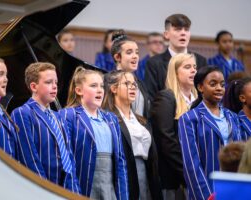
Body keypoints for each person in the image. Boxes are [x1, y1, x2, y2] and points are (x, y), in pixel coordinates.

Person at [59, 67, 128, 200]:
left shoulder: (111, 118)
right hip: (85, 185)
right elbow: (67, 159)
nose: (99, 90)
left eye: (101, 86)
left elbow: (120, 160)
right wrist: (74, 192)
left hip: (110, 185)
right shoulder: (68, 115)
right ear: (79, 91)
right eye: (93, 86)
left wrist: (123, 196)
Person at [11, 62, 80, 193]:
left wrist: (74, 186)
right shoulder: (22, 113)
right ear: (33, 86)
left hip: (68, 186)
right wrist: (43, 189)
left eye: (56, 83)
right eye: (48, 82)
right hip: (44, 186)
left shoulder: (58, 116)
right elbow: (29, 157)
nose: (54, 87)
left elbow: (68, 154)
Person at [178, 66, 242, 200]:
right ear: (200, 87)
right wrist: (207, 196)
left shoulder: (233, 117)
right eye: (213, 84)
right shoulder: (189, 119)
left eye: (222, 84)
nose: (219, 88)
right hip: (206, 190)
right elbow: (191, 164)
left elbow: (240, 156)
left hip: (233, 189)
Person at [103, 70, 162, 200]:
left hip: (146, 175)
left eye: (134, 84)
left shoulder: (142, 121)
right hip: (125, 175)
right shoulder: (108, 119)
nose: (133, 87)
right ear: (113, 88)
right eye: (127, 83)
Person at [151, 53, 197, 200]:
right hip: (173, 178)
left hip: (196, 175)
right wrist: (186, 173)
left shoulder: (198, 101)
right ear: (175, 72)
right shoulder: (166, 98)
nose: (193, 71)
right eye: (187, 67)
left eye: (195, 67)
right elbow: (167, 141)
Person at [143, 14, 207, 101]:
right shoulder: (154, 63)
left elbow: (205, 94)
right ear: (166, 34)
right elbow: (151, 97)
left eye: (186, 30)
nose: (183, 33)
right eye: (178, 29)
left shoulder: (200, 61)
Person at [111, 30, 151, 120]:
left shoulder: (140, 83)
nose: (135, 56)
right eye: (129, 52)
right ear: (117, 57)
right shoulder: (108, 82)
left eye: (137, 52)